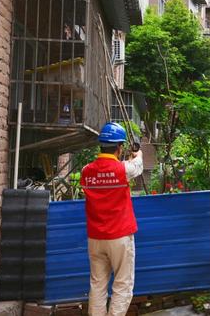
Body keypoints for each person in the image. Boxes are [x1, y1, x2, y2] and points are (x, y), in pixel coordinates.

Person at [80, 122, 144, 316]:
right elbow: (137, 167)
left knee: (98, 285)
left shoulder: (86, 171)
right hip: (120, 237)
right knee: (122, 285)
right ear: (119, 147)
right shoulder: (123, 170)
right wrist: (138, 154)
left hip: (95, 238)